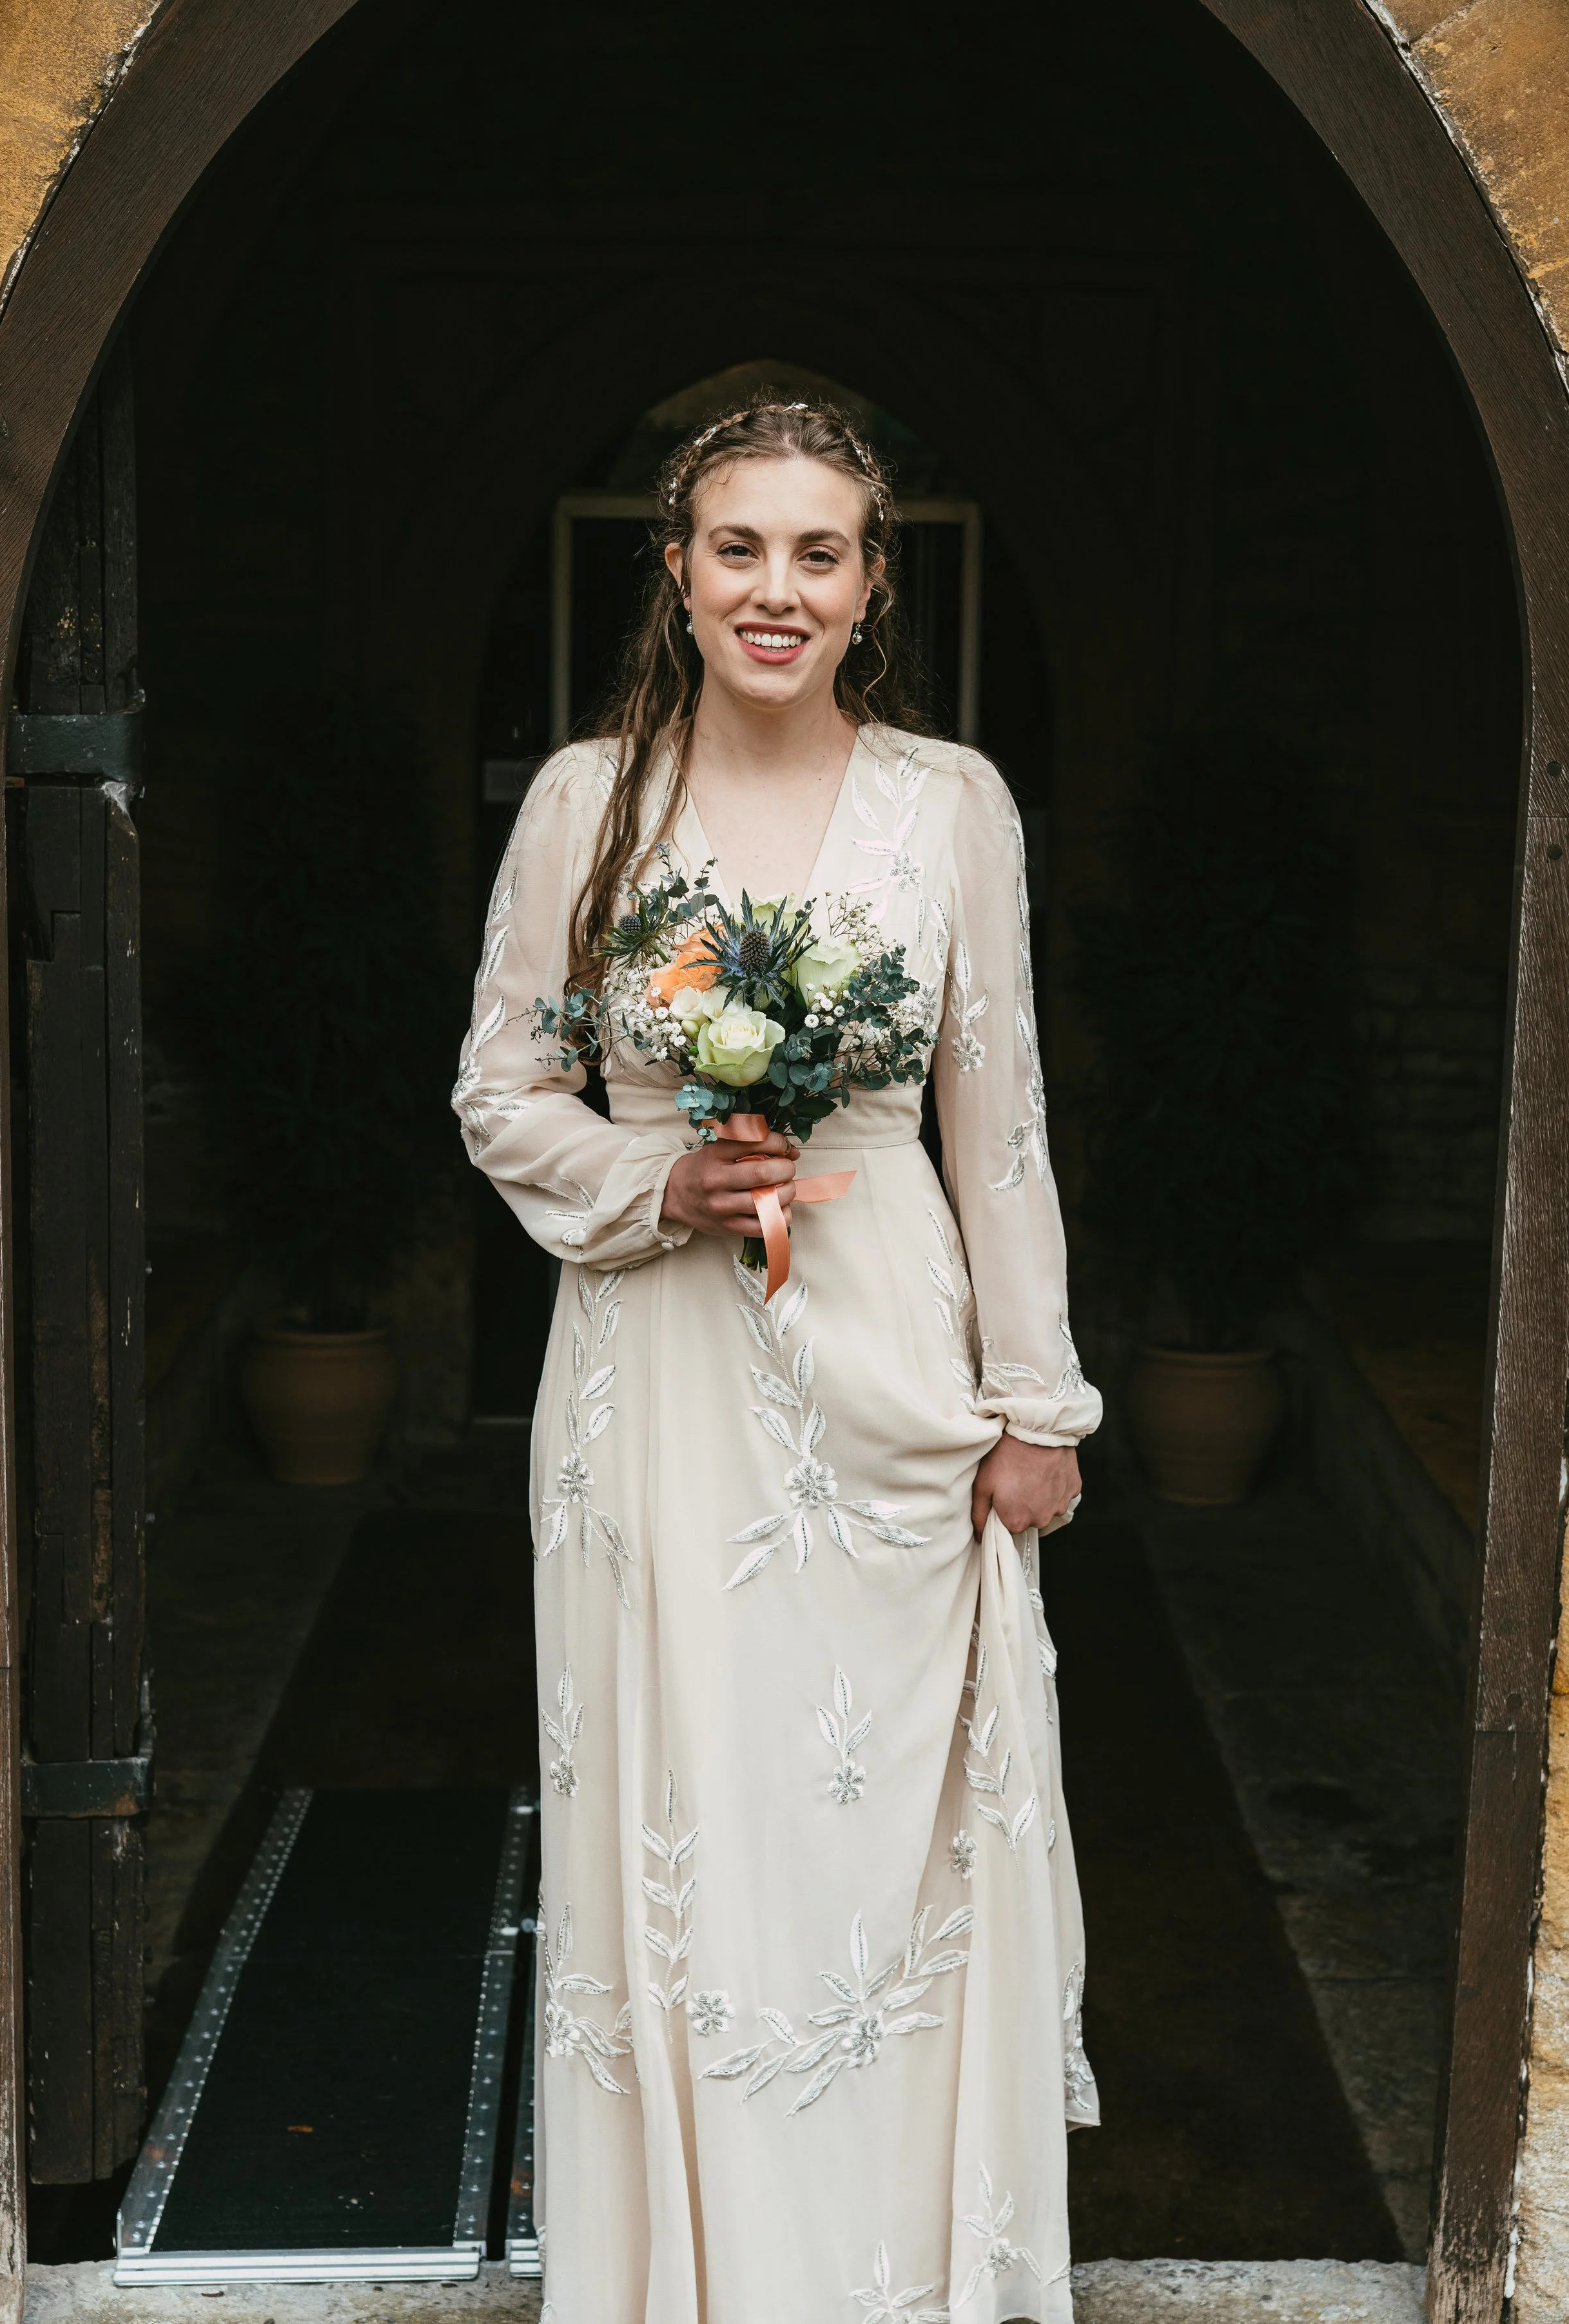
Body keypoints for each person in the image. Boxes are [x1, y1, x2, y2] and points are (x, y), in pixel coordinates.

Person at [453, 398, 1103, 2324]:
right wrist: (659, 1174)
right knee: (681, 1819)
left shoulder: (954, 804)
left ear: (871, 583)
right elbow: (501, 1083)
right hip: (657, 1377)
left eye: (818, 553)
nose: (776, 587)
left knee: (880, 1839)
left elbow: (1000, 1126)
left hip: (888, 1366)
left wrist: (1036, 1400)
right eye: (739, 546)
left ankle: (887, 2278)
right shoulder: (588, 800)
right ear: (676, 570)